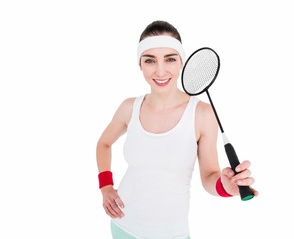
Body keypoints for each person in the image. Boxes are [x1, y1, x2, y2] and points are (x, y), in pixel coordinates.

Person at [96, 20, 258, 239]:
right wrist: (106, 187)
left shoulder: (201, 114)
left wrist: (225, 187)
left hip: (172, 233)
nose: (160, 70)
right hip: (124, 225)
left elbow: (210, 176)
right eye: (150, 60)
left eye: (170, 59)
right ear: (140, 65)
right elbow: (104, 143)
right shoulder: (129, 108)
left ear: (181, 62)